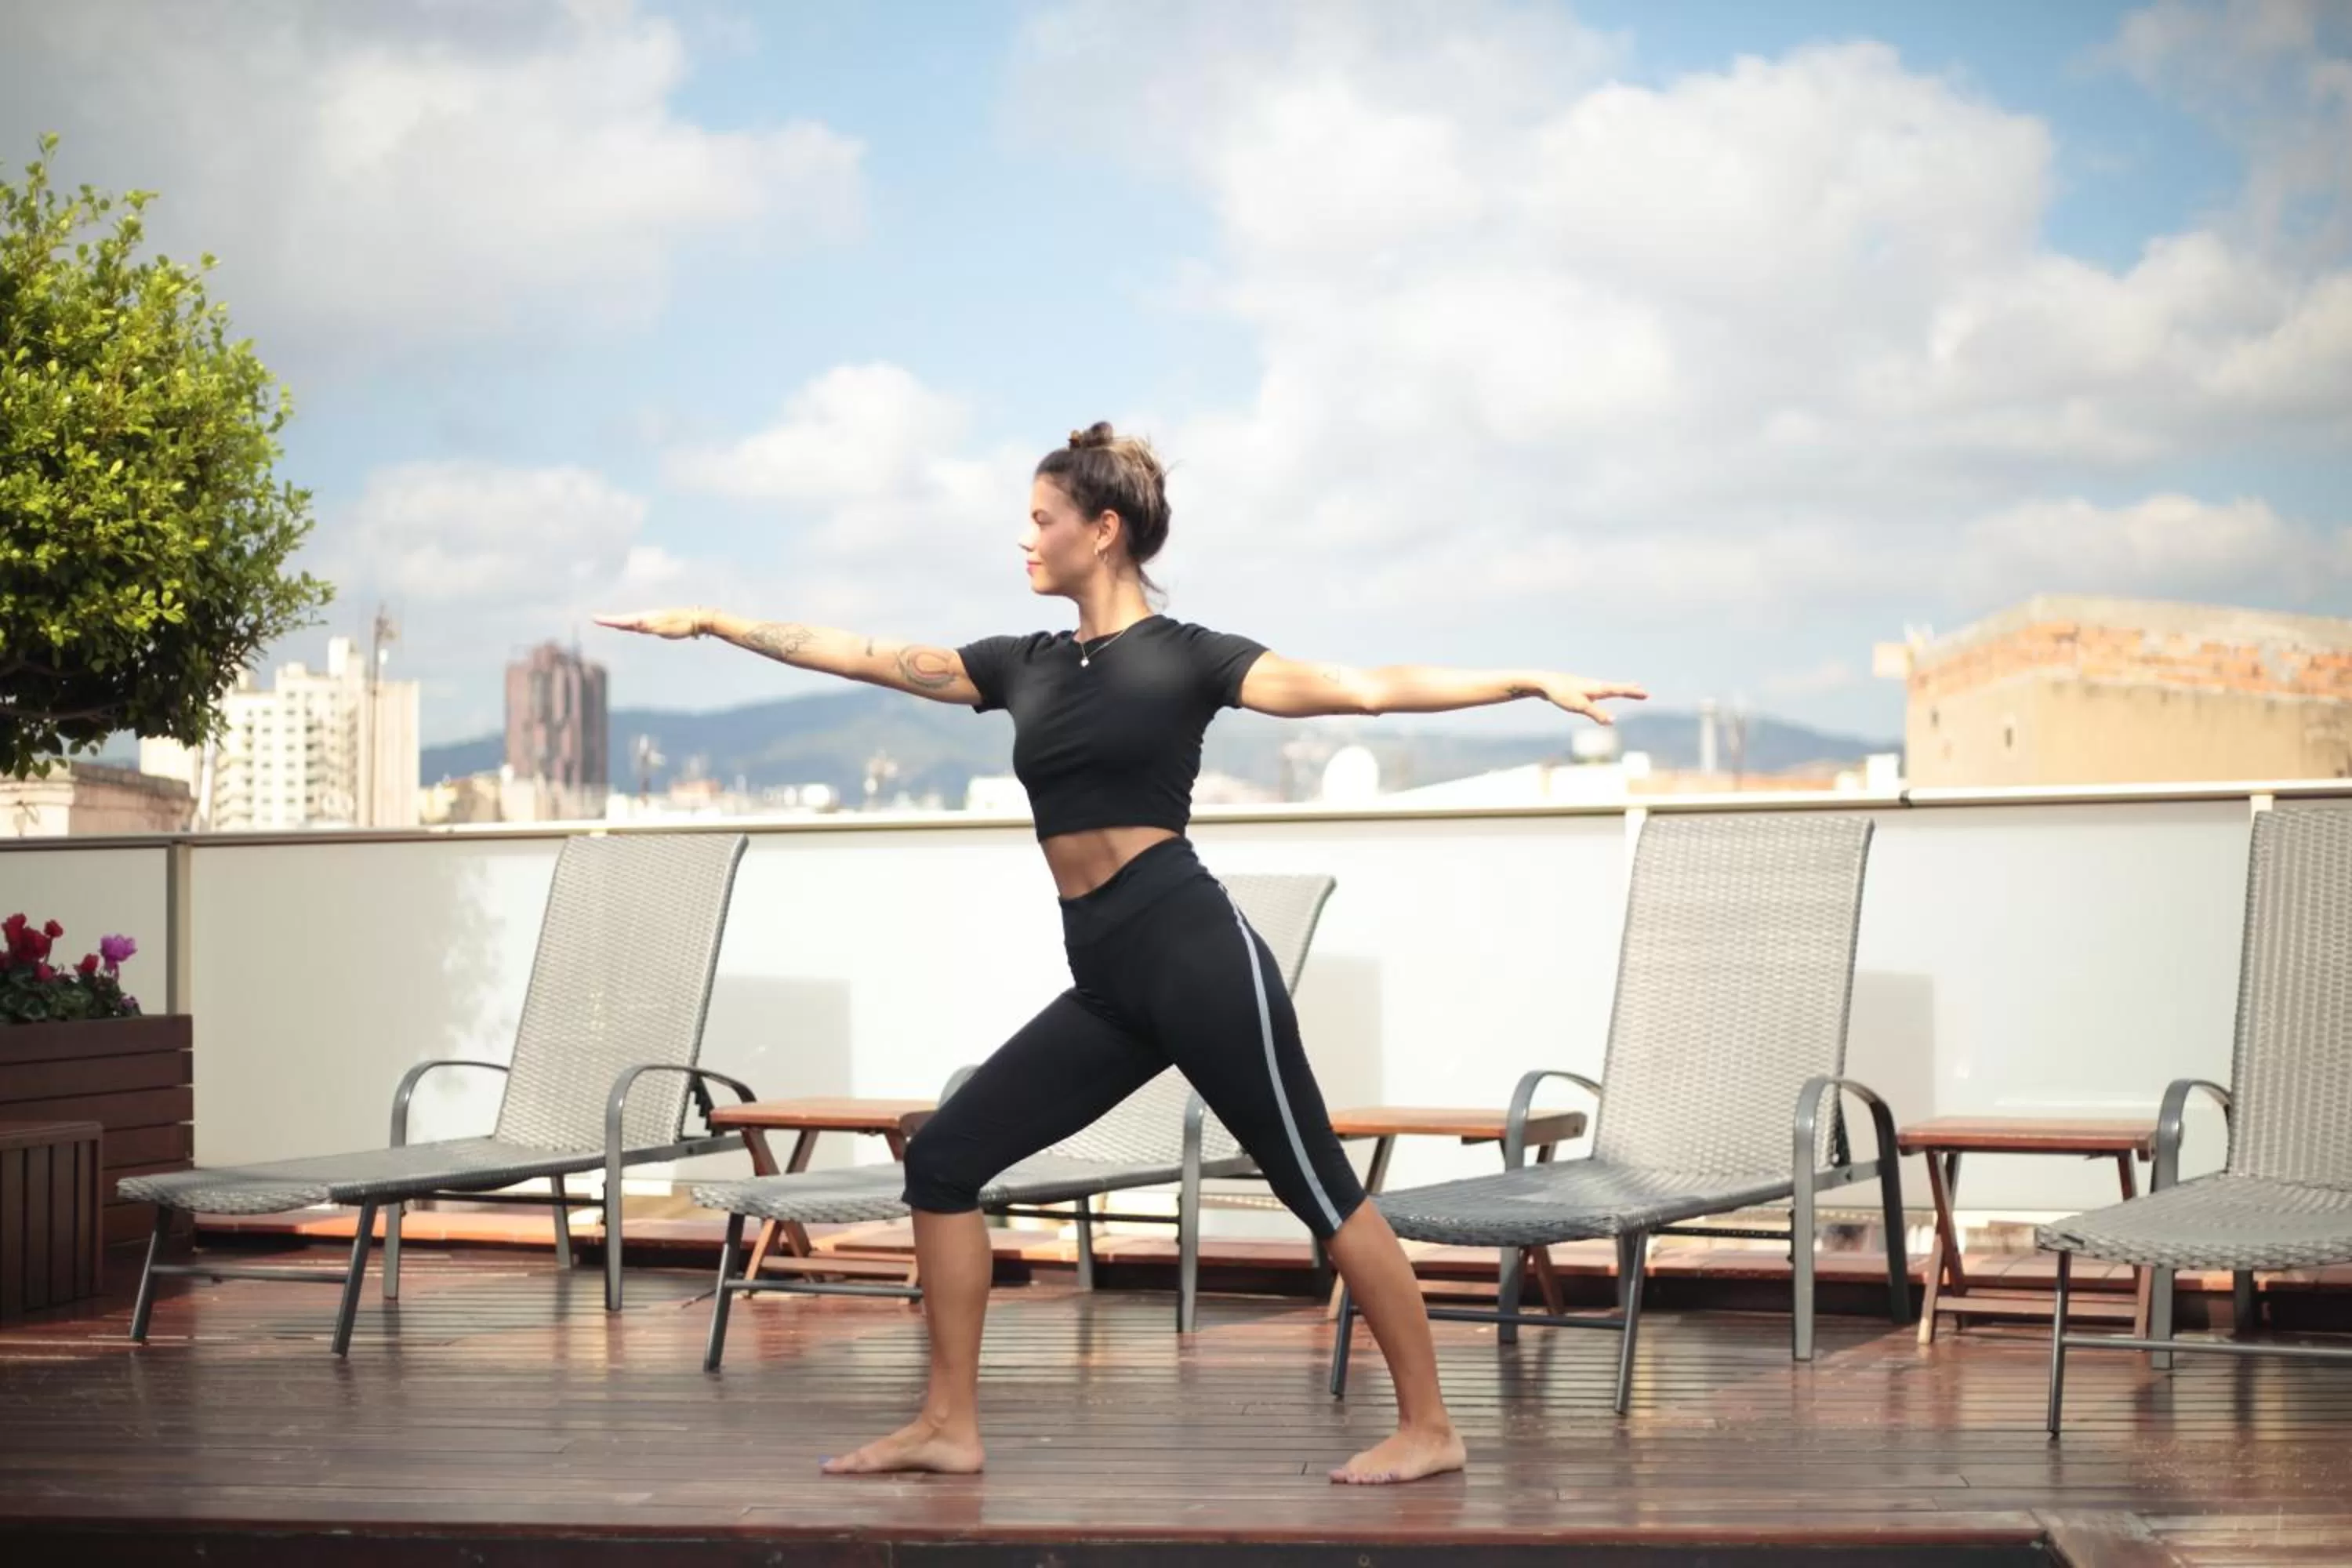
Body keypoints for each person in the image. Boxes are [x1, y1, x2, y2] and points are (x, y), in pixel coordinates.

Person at [597, 422, 1645, 1485]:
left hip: (1191, 952)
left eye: (1042, 519)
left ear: (1102, 533)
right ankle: (948, 1423)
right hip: (1105, 974)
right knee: (949, 1160)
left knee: (1318, 1189)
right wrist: (718, 623)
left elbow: (1362, 687)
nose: (1025, 539)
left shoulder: (1189, 660)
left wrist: (1525, 680)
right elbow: (871, 657)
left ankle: (1431, 1425)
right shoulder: (1023, 665)